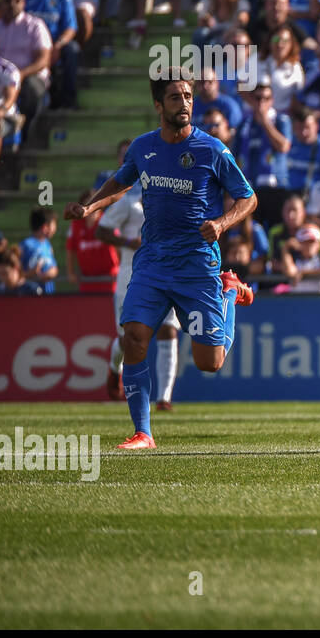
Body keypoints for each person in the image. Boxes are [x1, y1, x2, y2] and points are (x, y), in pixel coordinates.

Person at [63, 72, 256, 449]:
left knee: (209, 363)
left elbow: (248, 198)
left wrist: (222, 222)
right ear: (158, 105)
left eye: (187, 96)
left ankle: (229, 292)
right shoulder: (142, 148)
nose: (183, 103)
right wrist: (89, 207)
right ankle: (142, 432)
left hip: (197, 267)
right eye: (174, 97)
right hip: (152, 262)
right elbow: (119, 184)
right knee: (134, 336)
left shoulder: (212, 150)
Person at [96, 181, 182, 408]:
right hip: (131, 276)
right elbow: (101, 230)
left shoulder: (174, 205)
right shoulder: (128, 204)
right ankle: (115, 369)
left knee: (168, 330)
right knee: (129, 338)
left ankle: (164, 398)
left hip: (165, 275)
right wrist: (127, 242)